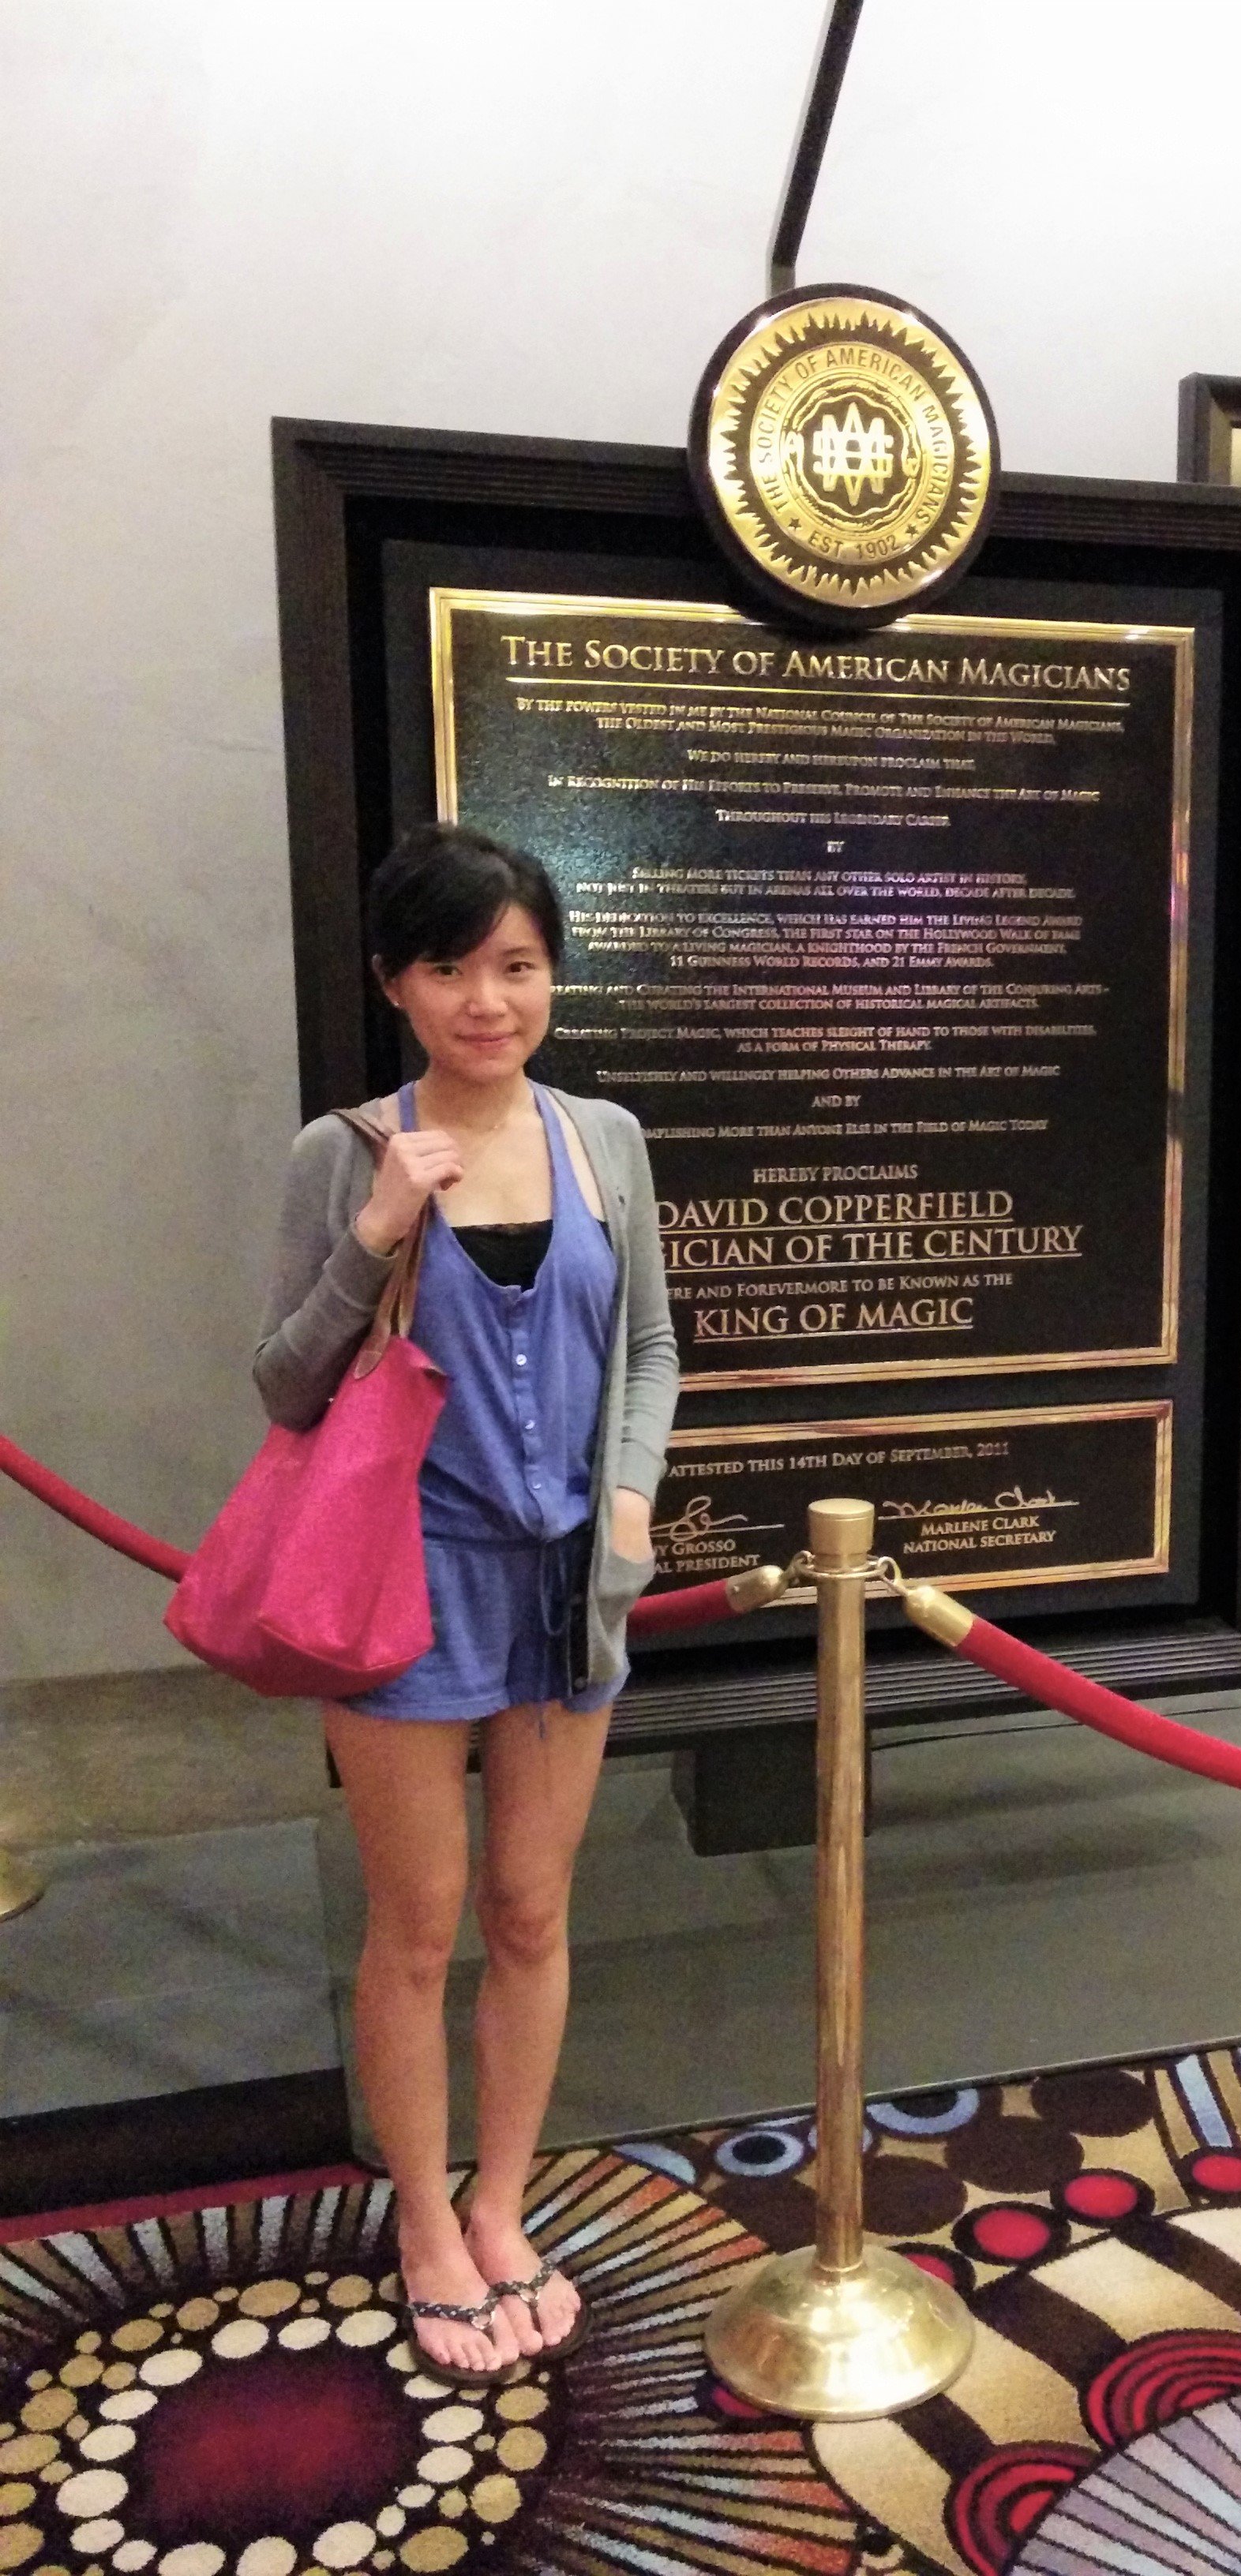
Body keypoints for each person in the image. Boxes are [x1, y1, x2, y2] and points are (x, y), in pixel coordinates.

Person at [254, 822, 679, 2387]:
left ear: (552, 974)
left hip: (571, 1591)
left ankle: (501, 2201)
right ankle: (425, 2220)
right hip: (402, 1588)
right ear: (395, 982)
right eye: (450, 967)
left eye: (517, 964)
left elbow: (651, 1347)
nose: (488, 1000)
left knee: (532, 1909)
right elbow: (283, 1385)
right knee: (417, 1926)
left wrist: (628, 1492)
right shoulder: (342, 1151)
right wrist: (378, 1231)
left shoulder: (603, 1139)